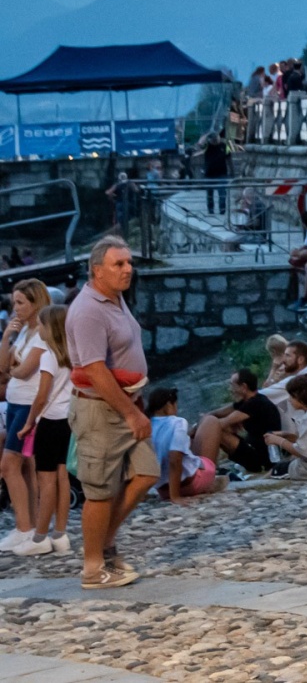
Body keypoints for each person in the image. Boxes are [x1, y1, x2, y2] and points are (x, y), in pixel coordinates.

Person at [65, 238, 159, 589]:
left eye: (129, 262)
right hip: (101, 410)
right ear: (97, 271)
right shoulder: (88, 310)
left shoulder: (115, 299)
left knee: (147, 473)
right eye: (118, 264)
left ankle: (105, 543)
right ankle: (93, 568)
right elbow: (94, 370)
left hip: (125, 405)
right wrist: (131, 414)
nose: (128, 269)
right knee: (99, 490)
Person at [11, 304, 73, 554]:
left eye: (41, 325)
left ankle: (39, 538)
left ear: (50, 328)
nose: (39, 330)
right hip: (68, 420)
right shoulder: (73, 353)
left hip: (49, 421)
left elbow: (41, 396)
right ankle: (61, 533)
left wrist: (29, 423)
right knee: (63, 477)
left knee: (45, 480)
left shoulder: (49, 356)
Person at [0, 278, 48, 550]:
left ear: (35, 302)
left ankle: (24, 528)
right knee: (26, 468)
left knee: (8, 465)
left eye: (20, 302)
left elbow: (24, 370)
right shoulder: (24, 332)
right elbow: (3, 366)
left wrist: (10, 370)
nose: (15, 308)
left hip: (30, 406)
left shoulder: (42, 333)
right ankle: (28, 526)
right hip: (16, 403)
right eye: (13, 303)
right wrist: (6, 336)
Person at [192, 367, 281, 474]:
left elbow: (216, 425)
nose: (230, 389)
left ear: (243, 387)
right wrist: (204, 418)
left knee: (217, 431)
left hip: (264, 458)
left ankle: (206, 470)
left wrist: (195, 429)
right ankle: (204, 466)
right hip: (254, 449)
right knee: (210, 424)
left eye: (232, 385)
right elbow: (216, 413)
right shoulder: (246, 402)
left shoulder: (255, 403)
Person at [145, 388, 220, 504]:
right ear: (169, 405)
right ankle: (210, 481)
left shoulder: (145, 425)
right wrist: (175, 496)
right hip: (191, 485)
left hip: (163, 491)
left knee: (188, 440)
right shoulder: (177, 422)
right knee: (210, 420)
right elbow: (174, 458)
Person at [261, 341, 307, 426]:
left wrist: (273, 369)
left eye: (288, 356)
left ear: (300, 360)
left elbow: (257, 396)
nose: (283, 360)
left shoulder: (297, 381)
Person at [201, 131, 230, 213]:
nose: (215, 140)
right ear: (210, 140)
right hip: (209, 174)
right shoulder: (207, 146)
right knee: (209, 194)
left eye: (216, 138)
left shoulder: (224, 146)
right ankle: (211, 210)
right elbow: (199, 144)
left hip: (222, 174)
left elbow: (229, 159)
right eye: (213, 139)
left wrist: (232, 171)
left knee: (222, 194)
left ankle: (222, 210)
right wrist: (207, 134)